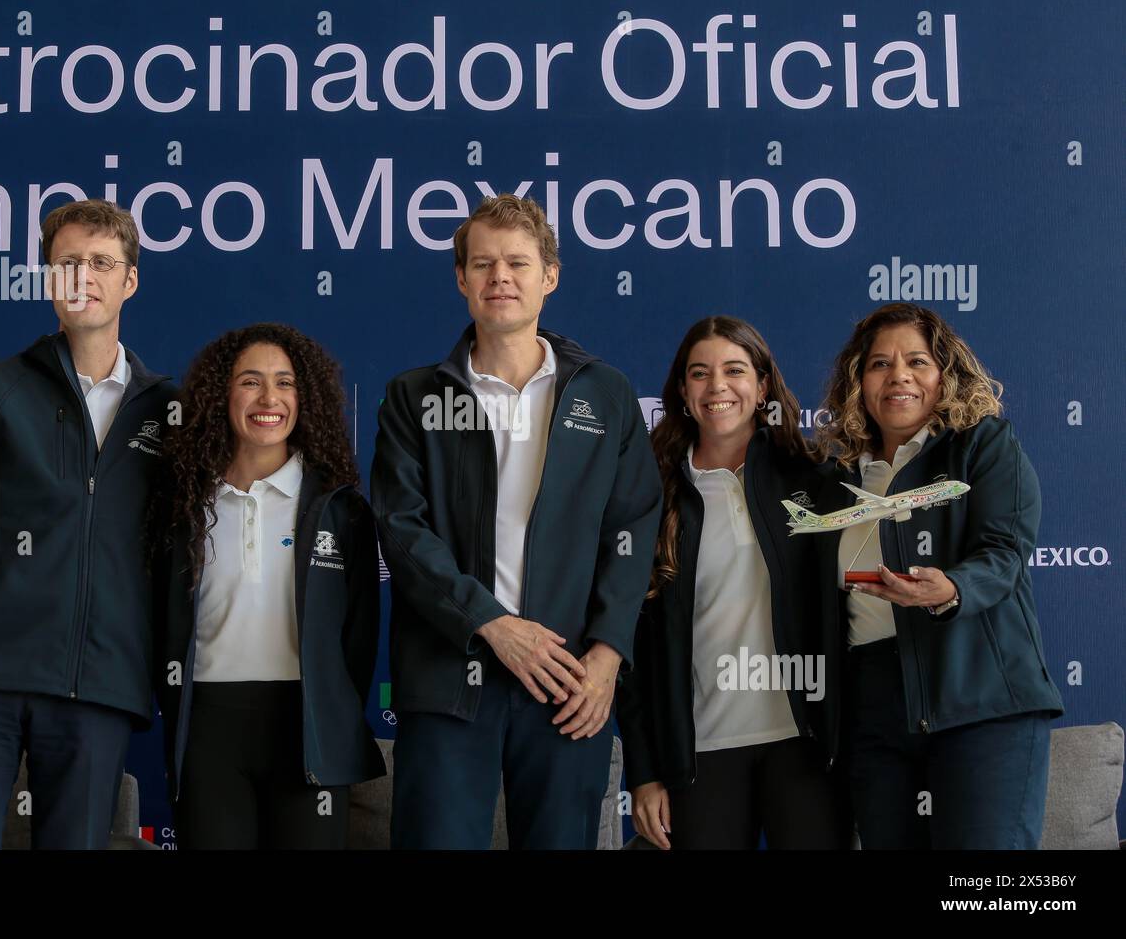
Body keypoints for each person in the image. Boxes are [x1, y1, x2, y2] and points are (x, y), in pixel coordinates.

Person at [0, 198, 179, 848]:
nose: (83, 278)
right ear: (48, 279)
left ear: (130, 280)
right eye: (67, 263)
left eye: (101, 263)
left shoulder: (172, 413)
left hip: (98, 688)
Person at [372, 194, 662, 849]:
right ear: (461, 279)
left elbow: (634, 528)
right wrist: (493, 626)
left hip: (569, 683)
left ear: (549, 276)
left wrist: (608, 657)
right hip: (449, 679)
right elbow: (403, 529)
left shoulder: (604, 393)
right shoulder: (414, 397)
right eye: (483, 264)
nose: (500, 277)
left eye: (517, 263)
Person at [814, 302, 1063, 849]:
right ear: (858, 382)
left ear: (944, 374)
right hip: (875, 705)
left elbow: (1005, 553)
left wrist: (950, 589)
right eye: (879, 364)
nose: (898, 375)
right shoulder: (836, 477)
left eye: (917, 361)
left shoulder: (984, 446)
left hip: (978, 691)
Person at [616, 316, 849, 849]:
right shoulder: (650, 497)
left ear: (763, 384)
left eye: (735, 370)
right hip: (701, 750)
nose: (717, 386)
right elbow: (630, 649)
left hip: (804, 745)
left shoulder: (817, 481)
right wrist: (645, 772)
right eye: (700, 373)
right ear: (682, 390)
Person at [153, 323, 385, 849]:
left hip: (308, 732)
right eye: (250, 382)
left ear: (305, 399)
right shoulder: (184, 505)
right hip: (209, 732)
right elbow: (160, 624)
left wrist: (330, 706)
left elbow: (359, 637)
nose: (269, 398)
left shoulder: (341, 509)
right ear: (221, 394)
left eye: (285, 383)